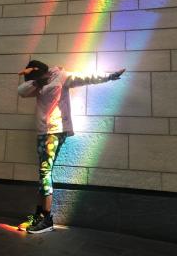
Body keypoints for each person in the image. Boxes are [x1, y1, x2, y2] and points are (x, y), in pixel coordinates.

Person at [17, 60, 125, 234]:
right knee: (43, 173)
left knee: (45, 172)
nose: (36, 82)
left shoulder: (61, 76)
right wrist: (37, 82)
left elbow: (86, 77)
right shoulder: (37, 83)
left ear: (44, 71)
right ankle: (38, 216)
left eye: (38, 77)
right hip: (42, 131)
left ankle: (47, 218)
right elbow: (21, 92)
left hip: (56, 130)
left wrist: (110, 76)